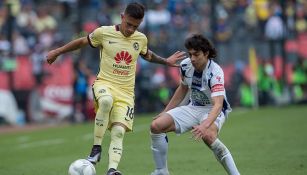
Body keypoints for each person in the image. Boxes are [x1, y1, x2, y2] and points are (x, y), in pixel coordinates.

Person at [46, 2, 185, 175]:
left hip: (126, 93)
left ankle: (112, 170)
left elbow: (148, 55)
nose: (130, 30)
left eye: (135, 26)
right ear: (122, 17)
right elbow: (82, 41)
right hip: (105, 84)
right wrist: (57, 52)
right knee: (106, 101)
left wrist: (166, 61)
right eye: (128, 24)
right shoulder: (104, 32)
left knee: (119, 132)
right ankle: (96, 149)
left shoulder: (140, 39)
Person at [150, 34, 240, 175]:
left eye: (196, 54)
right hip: (193, 107)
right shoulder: (185, 65)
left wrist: (204, 126)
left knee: (208, 136)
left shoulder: (215, 72)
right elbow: (183, 88)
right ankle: (161, 171)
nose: (192, 58)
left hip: (213, 110)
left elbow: (217, 105)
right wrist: (166, 111)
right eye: (190, 54)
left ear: (206, 53)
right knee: (156, 125)